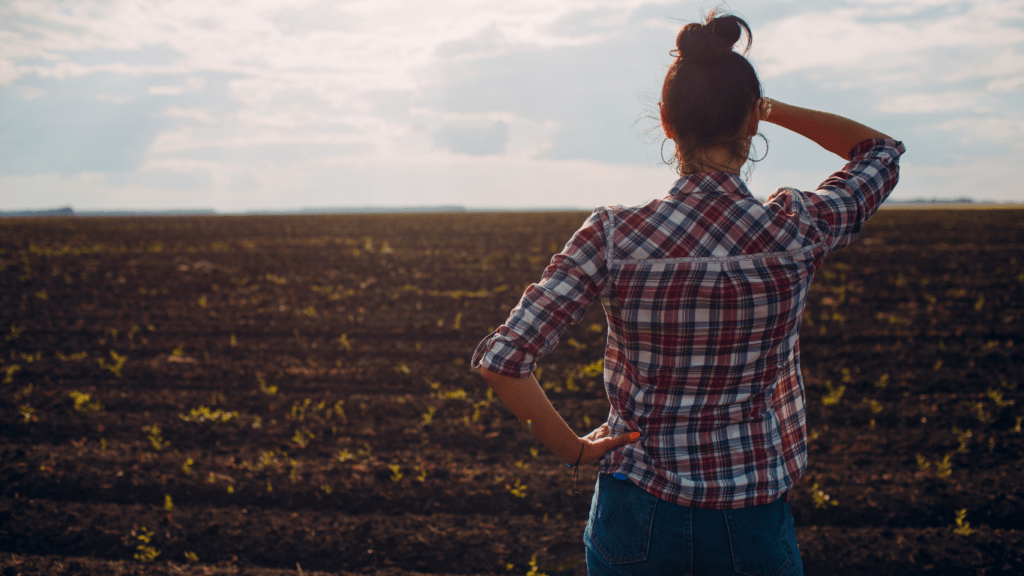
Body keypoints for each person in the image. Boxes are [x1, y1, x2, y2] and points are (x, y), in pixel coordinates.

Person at [471, 9, 903, 576]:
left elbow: (504, 361)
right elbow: (880, 152)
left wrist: (573, 450)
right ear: (752, 121)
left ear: (666, 122)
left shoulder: (613, 234)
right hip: (753, 514)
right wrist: (763, 108)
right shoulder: (798, 227)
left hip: (637, 512)